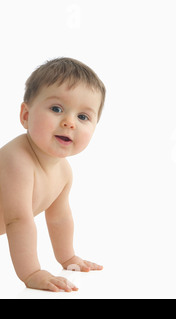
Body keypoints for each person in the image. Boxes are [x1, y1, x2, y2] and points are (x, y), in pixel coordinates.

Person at [0, 57, 105, 292]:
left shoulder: (64, 172)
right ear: (25, 115)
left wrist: (68, 258)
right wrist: (32, 272)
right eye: (57, 109)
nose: (69, 122)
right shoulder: (17, 160)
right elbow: (17, 220)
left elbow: (59, 218)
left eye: (83, 117)